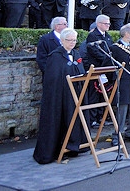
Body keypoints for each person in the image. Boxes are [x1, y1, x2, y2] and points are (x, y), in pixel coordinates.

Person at [33, 28, 87, 164]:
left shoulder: (76, 53)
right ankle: (57, 150)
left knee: (73, 120)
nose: (72, 43)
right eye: (69, 40)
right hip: (60, 96)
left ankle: (73, 146)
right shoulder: (55, 56)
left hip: (75, 95)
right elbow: (53, 78)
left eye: (74, 40)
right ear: (62, 41)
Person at [110, 24, 130, 146]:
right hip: (122, 82)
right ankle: (117, 134)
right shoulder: (115, 48)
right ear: (127, 34)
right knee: (122, 110)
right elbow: (109, 65)